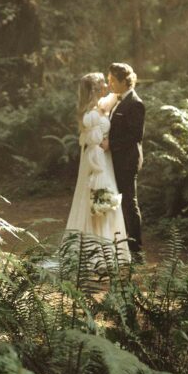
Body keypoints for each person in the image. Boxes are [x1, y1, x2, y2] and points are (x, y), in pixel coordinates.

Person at [65, 72, 130, 260]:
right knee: (100, 202)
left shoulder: (99, 106)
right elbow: (93, 140)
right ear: (96, 88)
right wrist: (98, 168)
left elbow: (116, 97)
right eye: (103, 84)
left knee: (105, 204)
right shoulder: (91, 114)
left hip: (103, 158)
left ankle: (107, 246)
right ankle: (98, 252)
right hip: (97, 161)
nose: (107, 86)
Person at [104, 62, 145, 255]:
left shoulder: (135, 103)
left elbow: (135, 135)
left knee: (129, 203)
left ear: (124, 81)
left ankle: (136, 249)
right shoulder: (117, 100)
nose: (109, 83)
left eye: (112, 80)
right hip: (115, 160)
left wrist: (111, 144)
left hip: (127, 161)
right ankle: (120, 243)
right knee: (117, 202)